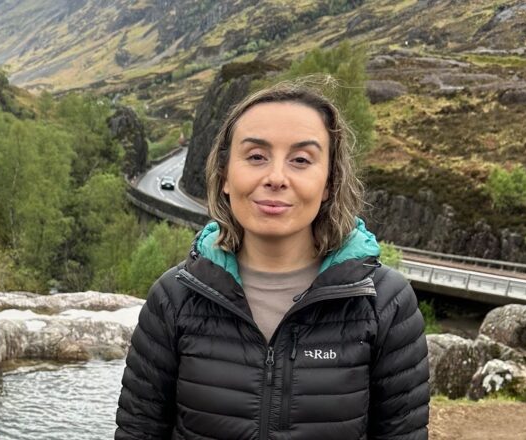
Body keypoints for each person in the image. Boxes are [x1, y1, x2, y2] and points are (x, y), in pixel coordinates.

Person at [116, 80, 430, 439]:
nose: (276, 178)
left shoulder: (385, 303)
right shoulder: (174, 299)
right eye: (256, 157)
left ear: (329, 182)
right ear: (225, 178)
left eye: (300, 160)